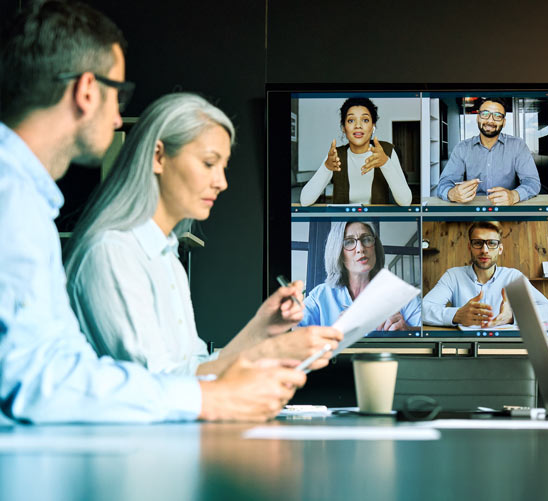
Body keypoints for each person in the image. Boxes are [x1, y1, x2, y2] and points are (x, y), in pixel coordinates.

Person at [0, 1, 313, 423]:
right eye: (119, 95)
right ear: (87, 90)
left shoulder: (32, 201)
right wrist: (232, 383)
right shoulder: (21, 202)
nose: (117, 119)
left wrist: (261, 333)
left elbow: (73, 368)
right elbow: (43, 379)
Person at [64, 93, 342, 377]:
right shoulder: (112, 252)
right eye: (209, 163)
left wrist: (262, 328)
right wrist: (272, 352)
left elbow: (195, 369)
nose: (221, 183)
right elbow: (158, 385)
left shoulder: (167, 257)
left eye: (224, 167)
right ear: (158, 157)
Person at [423, 221, 548, 327]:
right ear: (469, 247)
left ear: (500, 249)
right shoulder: (453, 276)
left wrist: (512, 316)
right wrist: (457, 315)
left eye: (492, 243)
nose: (484, 250)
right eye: (478, 243)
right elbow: (423, 309)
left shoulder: (513, 277)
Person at [300, 221, 421, 330]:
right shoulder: (320, 295)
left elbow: (427, 332)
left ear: (375, 247)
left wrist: (407, 331)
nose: (360, 249)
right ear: (338, 252)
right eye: (349, 242)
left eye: (366, 239)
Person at [300, 97, 412, 206]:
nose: (358, 125)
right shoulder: (335, 155)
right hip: (344, 224)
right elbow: (305, 201)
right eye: (351, 120)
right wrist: (326, 168)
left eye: (365, 120)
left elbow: (406, 201)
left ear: (373, 126)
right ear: (344, 127)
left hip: (378, 223)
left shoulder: (387, 151)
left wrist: (385, 163)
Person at [436, 98, 541, 206]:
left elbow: (532, 182)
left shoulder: (518, 145)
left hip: (507, 210)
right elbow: (444, 184)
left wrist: (514, 196)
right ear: (478, 117)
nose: (490, 120)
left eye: (497, 116)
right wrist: (452, 193)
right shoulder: (462, 148)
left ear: (504, 122)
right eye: (485, 114)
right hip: (472, 211)